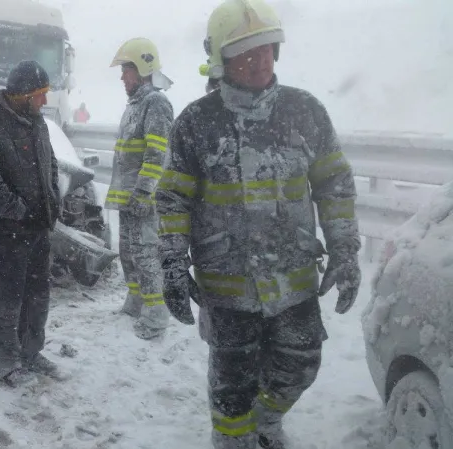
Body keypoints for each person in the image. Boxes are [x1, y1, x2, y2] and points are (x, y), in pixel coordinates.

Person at [156, 1, 361, 448]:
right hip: (227, 285)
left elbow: (335, 185)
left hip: (294, 278)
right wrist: (172, 262)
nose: (260, 60)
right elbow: (172, 197)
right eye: (246, 52)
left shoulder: (305, 111)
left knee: (302, 363)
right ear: (222, 59)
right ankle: (233, 441)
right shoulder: (197, 122)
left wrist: (345, 249)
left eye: (267, 48)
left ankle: (265, 422)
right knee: (232, 389)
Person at [0, 60, 65, 387]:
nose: (45, 101)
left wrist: (52, 200)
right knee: (8, 298)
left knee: (38, 295)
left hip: (38, 228)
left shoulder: (38, 123)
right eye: (40, 94)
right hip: (7, 231)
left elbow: (51, 165)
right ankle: (5, 362)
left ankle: (31, 352)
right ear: (23, 94)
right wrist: (19, 211)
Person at [106, 37, 174, 340]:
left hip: (143, 198)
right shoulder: (134, 105)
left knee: (146, 255)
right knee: (129, 252)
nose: (122, 77)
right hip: (127, 196)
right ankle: (135, 302)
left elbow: (157, 153)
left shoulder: (155, 103)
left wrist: (145, 192)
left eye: (126, 70)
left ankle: (155, 315)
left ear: (143, 69)